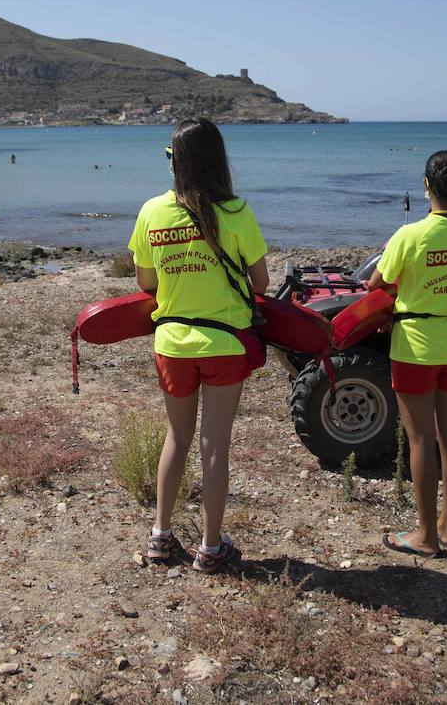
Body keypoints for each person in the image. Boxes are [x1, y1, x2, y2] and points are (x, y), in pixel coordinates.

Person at [128, 118, 269, 573]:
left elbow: (146, 282)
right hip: (224, 342)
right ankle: (210, 548)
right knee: (214, 445)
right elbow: (261, 282)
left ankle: (160, 536)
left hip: (172, 343)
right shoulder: (237, 211)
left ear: (176, 162)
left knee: (177, 437)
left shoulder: (151, 212)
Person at [367, 150, 447, 557]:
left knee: (420, 440)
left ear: (425, 185)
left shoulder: (410, 234)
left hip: (417, 346)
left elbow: (376, 284)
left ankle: (426, 536)